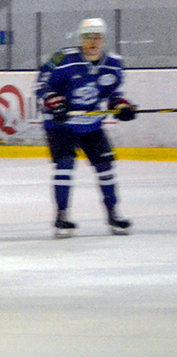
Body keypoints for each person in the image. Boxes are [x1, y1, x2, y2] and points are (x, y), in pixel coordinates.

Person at [35, 17, 136, 238]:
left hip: (91, 124)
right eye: (88, 37)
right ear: (80, 39)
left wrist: (122, 106)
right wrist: (55, 102)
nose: (93, 42)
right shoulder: (63, 59)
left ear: (103, 39)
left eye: (97, 37)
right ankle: (62, 216)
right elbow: (42, 85)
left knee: (105, 166)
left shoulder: (113, 64)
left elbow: (113, 96)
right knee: (65, 165)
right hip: (61, 125)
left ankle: (113, 213)